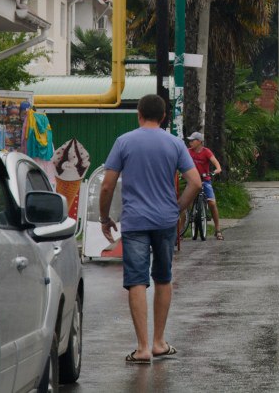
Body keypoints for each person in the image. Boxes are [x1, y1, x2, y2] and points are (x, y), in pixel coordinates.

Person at [99, 94, 199, 365]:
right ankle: (159, 343)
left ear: (139, 114)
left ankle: (142, 348)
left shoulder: (124, 142)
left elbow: (107, 185)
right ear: (164, 116)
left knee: (136, 280)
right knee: (163, 278)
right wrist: (177, 208)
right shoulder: (175, 143)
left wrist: (104, 218)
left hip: (135, 222)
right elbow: (196, 183)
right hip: (165, 221)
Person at [185, 131, 223, 240]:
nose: (190, 142)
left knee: (212, 202)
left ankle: (217, 229)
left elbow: (215, 163)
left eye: (193, 140)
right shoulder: (188, 152)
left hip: (205, 180)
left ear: (199, 142)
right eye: (190, 140)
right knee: (185, 204)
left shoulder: (206, 152)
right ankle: (180, 231)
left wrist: (217, 169)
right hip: (192, 181)